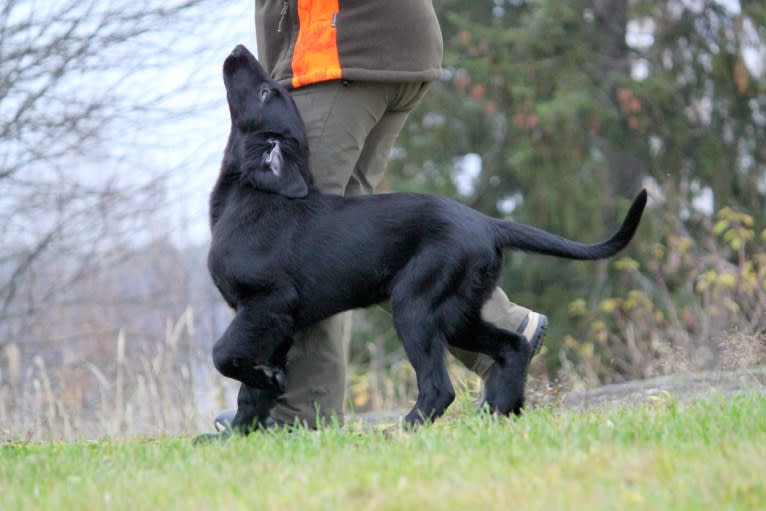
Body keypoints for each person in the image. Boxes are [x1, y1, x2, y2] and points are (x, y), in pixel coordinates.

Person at [214, 0, 547, 431]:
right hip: (381, 46)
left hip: (343, 51)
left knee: (296, 247)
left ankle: (299, 414)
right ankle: (502, 330)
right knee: (357, 247)